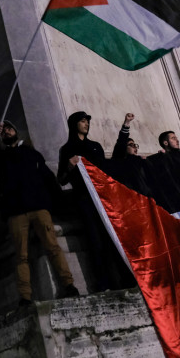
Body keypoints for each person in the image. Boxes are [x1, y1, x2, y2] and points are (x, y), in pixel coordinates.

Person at [0, 120, 78, 306]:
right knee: (21, 256)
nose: (7, 131)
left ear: (17, 133)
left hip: (39, 208)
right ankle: (25, 296)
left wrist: (58, 203)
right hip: (16, 213)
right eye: (4, 131)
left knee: (53, 247)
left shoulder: (32, 154)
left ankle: (69, 285)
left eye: (10, 128)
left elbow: (48, 178)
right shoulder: (1, 158)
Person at [58, 111, 133, 292]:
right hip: (84, 200)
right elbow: (61, 179)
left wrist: (125, 127)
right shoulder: (67, 149)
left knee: (113, 238)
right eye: (82, 121)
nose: (86, 124)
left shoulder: (95, 146)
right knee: (95, 242)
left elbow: (109, 168)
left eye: (87, 121)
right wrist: (69, 166)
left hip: (104, 198)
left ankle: (126, 280)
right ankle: (103, 283)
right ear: (74, 124)